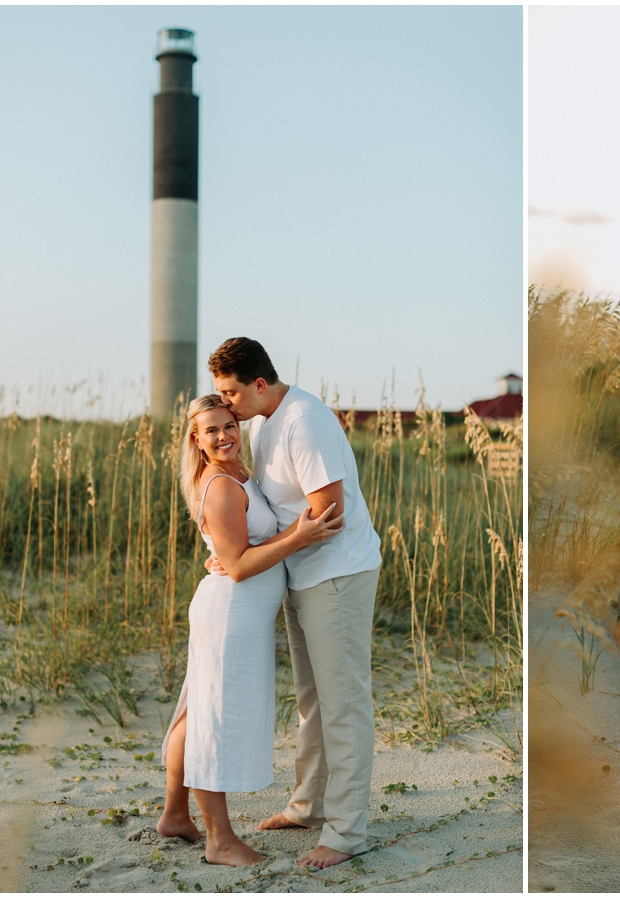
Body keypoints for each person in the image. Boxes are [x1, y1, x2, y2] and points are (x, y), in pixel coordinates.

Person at [207, 337, 383, 871]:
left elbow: (326, 515)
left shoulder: (305, 419)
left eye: (230, 392)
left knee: (343, 702)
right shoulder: (262, 421)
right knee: (312, 700)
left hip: (338, 575)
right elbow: (287, 515)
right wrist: (236, 553)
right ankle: (310, 806)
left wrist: (261, 552)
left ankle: (348, 831)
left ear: (259, 383)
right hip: (300, 574)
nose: (226, 405)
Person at [158, 395, 341, 866]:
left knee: (197, 712)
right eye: (211, 431)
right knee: (211, 721)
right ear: (196, 441)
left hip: (239, 614)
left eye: (229, 426)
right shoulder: (220, 484)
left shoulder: (239, 472)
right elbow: (238, 567)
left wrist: (246, 546)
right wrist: (299, 537)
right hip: (230, 616)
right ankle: (220, 841)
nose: (223, 436)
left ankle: (176, 814)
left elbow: (238, 547)